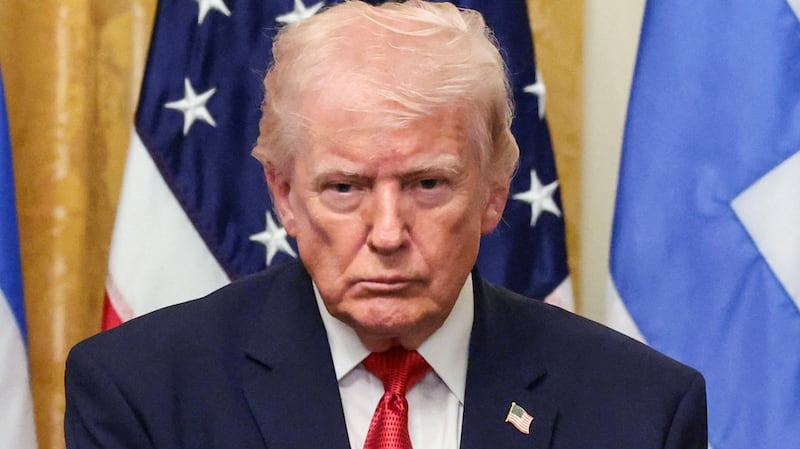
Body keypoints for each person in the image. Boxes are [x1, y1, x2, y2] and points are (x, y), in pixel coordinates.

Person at [64, 1, 707, 448]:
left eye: (428, 185)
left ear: (493, 194)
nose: (389, 233)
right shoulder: (142, 390)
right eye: (345, 188)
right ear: (284, 196)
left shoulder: (641, 408)